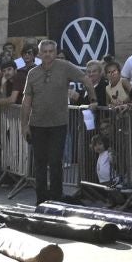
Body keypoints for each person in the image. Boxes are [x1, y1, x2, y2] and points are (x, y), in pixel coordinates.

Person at [23, 38, 82, 207]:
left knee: (55, 161)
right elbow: (26, 101)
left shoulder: (64, 67)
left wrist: (91, 98)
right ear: (40, 54)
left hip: (58, 124)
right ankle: (41, 200)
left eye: (51, 51)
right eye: (45, 52)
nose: (48, 54)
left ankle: (56, 197)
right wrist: (24, 124)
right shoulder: (32, 73)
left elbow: (84, 77)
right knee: (40, 163)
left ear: (55, 53)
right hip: (37, 124)